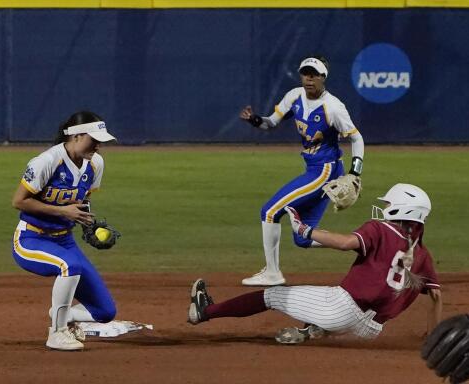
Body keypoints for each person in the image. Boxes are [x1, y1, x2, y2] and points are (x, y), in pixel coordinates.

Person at [188, 183, 442, 345]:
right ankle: (311, 332)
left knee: (271, 295)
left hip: (341, 310)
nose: (385, 207)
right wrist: (432, 336)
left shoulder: (380, 229)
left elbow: (344, 243)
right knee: (335, 303)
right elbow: (436, 296)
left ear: (402, 210)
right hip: (371, 329)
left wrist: (305, 230)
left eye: (389, 204)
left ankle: (204, 312)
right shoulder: (422, 254)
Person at [240, 55, 365, 286]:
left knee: (269, 211)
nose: (309, 78)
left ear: (323, 78)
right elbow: (272, 123)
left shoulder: (333, 107)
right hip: (315, 168)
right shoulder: (294, 96)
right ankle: (357, 244)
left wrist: (355, 173)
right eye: (305, 73)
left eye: (314, 74)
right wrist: (256, 120)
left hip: (324, 170)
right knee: (302, 238)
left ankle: (272, 272)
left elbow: (357, 139)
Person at [11, 110, 118, 351]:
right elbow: (19, 201)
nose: (99, 146)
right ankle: (57, 332)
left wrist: (88, 223)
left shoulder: (95, 164)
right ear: (77, 136)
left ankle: (65, 314)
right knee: (70, 266)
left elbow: (82, 200)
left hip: (65, 241)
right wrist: (63, 212)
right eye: (94, 140)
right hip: (30, 238)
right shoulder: (47, 161)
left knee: (105, 311)